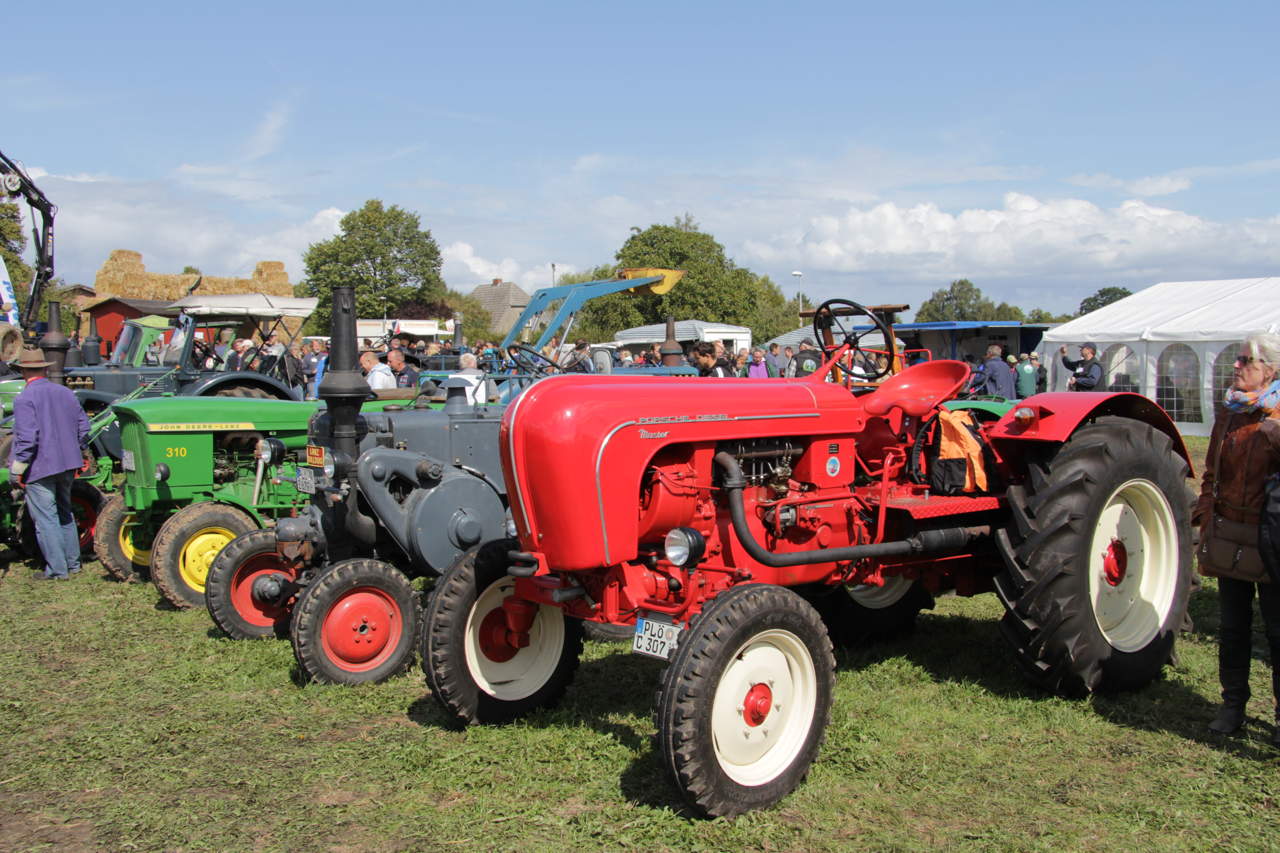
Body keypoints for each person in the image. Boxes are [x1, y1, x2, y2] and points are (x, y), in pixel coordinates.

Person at [1194, 333, 1280, 744]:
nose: (1237, 366)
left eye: (1247, 360)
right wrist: (1206, 517)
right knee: (1232, 628)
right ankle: (1232, 705)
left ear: (1270, 370)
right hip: (1230, 535)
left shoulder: (1277, 414)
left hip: (1271, 538)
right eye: (1238, 359)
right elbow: (1211, 472)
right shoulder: (1229, 413)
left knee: (1278, 630)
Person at [8, 347, 91, 580]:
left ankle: (57, 570)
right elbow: (84, 428)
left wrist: (17, 469)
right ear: (44, 370)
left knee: (46, 519)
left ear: (23, 371)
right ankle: (73, 564)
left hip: (41, 466)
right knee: (65, 513)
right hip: (68, 464)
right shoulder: (66, 393)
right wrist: (78, 450)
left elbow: (27, 438)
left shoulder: (24, 399)